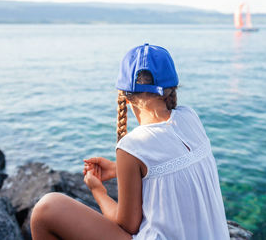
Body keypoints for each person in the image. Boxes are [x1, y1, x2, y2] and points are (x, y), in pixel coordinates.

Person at [30, 44, 230, 240]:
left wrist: (98, 191)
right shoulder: (190, 117)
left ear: (125, 97)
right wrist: (121, 169)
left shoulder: (132, 146)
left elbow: (128, 225)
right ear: (172, 88)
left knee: (46, 208)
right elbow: (170, 163)